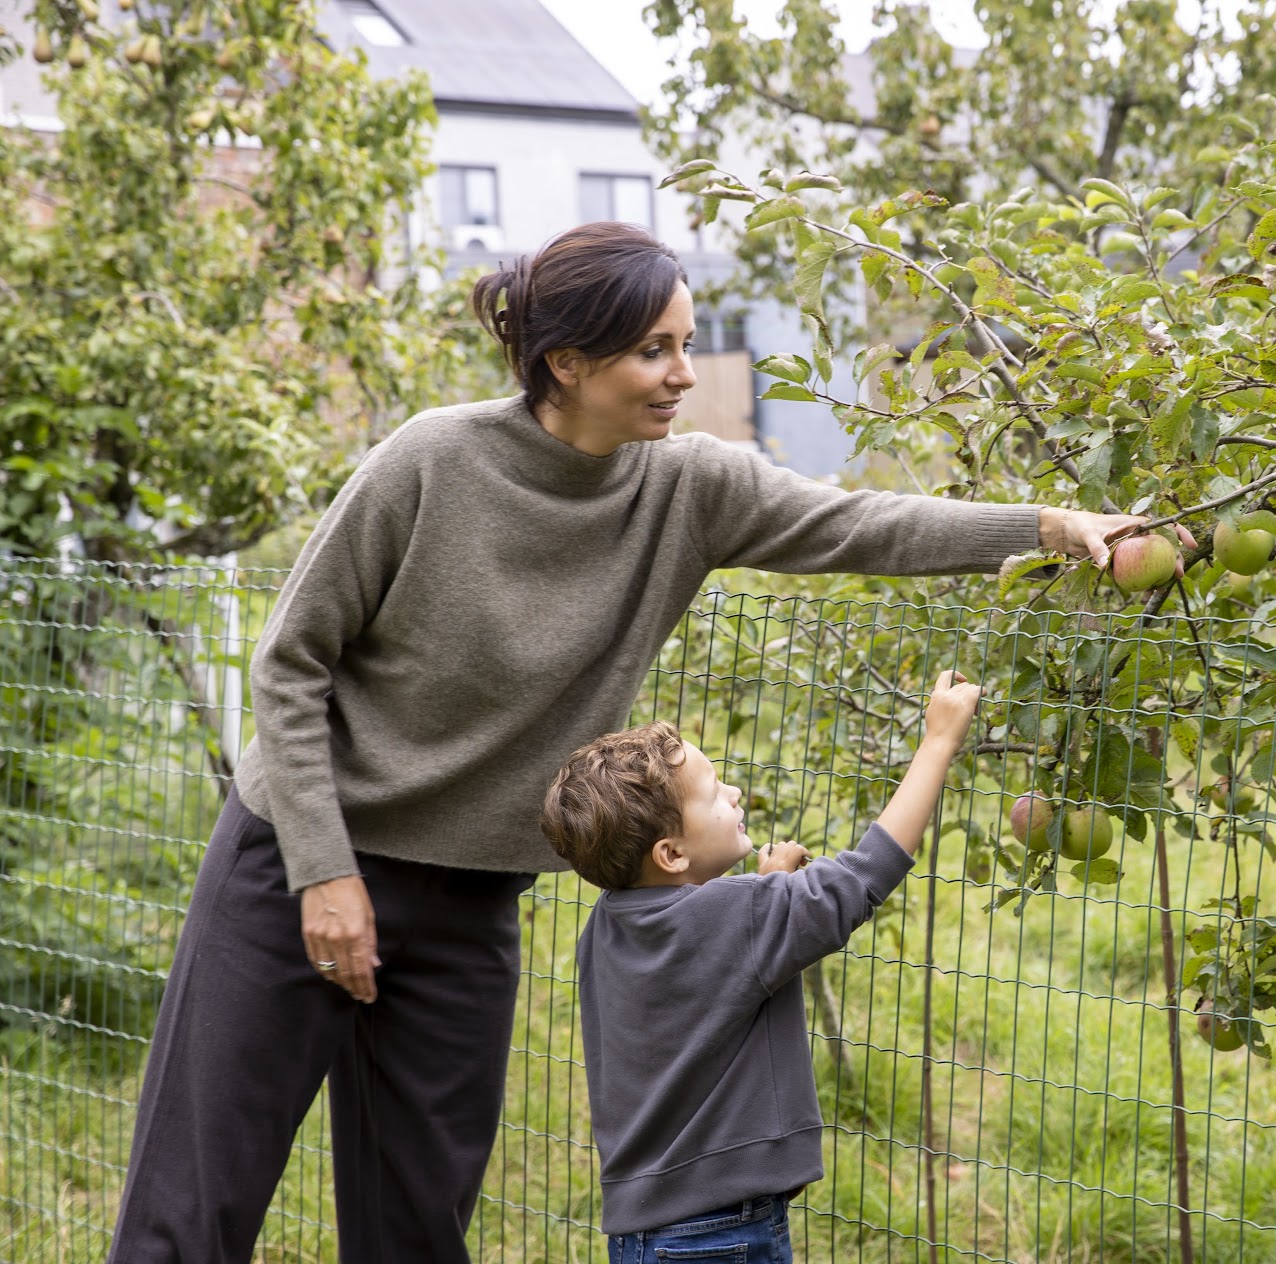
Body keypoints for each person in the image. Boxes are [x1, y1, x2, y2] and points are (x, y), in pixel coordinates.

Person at [107, 221, 1151, 1263]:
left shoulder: (686, 488)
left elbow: (863, 523)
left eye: (687, 344)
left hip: (470, 904)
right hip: (297, 862)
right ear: (566, 362)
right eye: (656, 350)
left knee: (416, 1230)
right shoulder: (431, 462)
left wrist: (1051, 527)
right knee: (192, 1212)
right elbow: (292, 663)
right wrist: (322, 871)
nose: (685, 375)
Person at [541, 669, 984, 1260]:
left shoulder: (608, 925)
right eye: (714, 792)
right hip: (721, 1235)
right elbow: (861, 879)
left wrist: (767, 889)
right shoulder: (741, 917)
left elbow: (709, 961)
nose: (734, 796)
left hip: (645, 1233)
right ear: (670, 853)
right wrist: (938, 742)